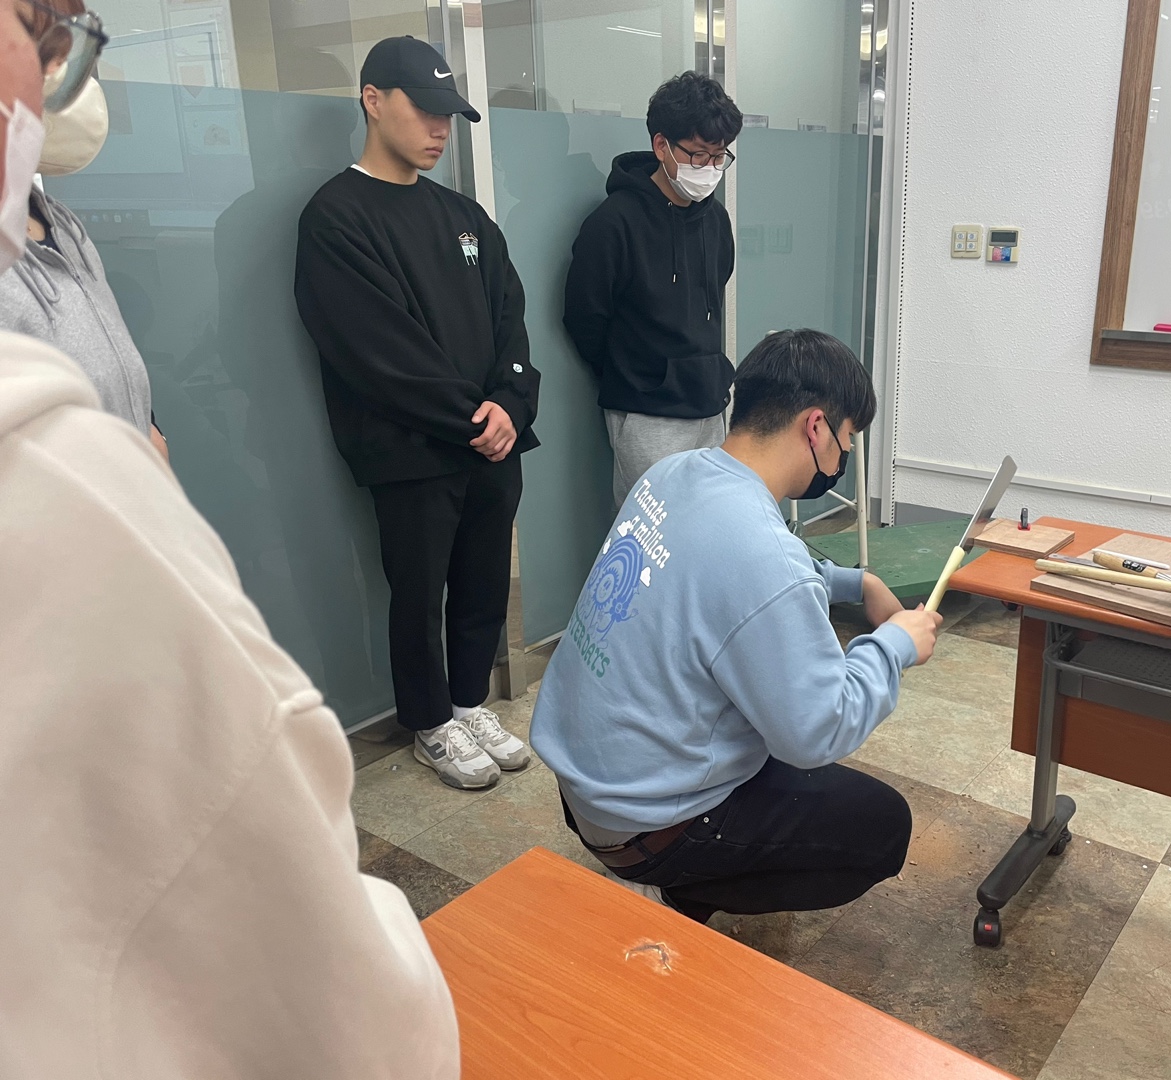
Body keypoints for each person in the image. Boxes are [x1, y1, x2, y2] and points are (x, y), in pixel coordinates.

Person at [0, 2, 459, 1075]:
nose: (64, 70)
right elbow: (344, 993)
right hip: (109, 575)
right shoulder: (38, 467)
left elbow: (122, 377)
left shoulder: (55, 224)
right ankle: (434, 713)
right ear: (373, 102)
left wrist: (145, 447)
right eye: (39, 29)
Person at [529, 329, 943, 923]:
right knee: (882, 826)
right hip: (645, 824)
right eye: (847, 439)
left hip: (583, 786)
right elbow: (819, 731)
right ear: (816, 427)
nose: (843, 457)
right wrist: (895, 645)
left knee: (762, 706)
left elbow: (738, 570)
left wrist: (855, 584)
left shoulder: (672, 475)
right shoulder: (761, 553)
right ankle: (682, 891)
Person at [296, 36, 539, 791]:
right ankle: (431, 721)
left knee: (481, 583)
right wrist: (476, 417)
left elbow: (510, 320)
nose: (440, 129)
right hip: (410, 449)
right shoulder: (336, 217)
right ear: (373, 101)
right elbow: (376, 349)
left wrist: (511, 402)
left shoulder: (465, 216)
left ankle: (468, 702)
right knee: (419, 591)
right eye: (425, 110)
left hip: (491, 442)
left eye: (448, 115)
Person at [563, 72, 742, 507]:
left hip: (710, 405)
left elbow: (715, 294)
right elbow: (585, 318)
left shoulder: (716, 220)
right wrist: (636, 374)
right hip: (647, 412)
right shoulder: (613, 223)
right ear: (662, 145)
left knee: (708, 523)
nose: (709, 169)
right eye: (697, 155)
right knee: (651, 530)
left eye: (719, 156)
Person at [0, 0, 167, 461]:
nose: (52, 78)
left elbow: (109, 352)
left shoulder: (62, 224)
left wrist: (149, 429)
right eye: (40, 42)